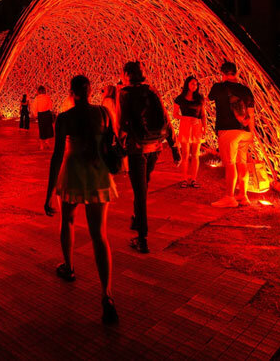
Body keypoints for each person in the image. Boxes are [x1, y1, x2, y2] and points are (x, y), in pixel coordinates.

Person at [45, 75, 119, 324]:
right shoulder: (103, 112)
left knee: (67, 220)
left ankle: (69, 266)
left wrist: (48, 192)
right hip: (98, 174)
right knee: (100, 235)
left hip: (74, 172)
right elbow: (112, 141)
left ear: (73, 92)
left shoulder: (65, 118)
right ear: (89, 91)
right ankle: (107, 294)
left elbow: (57, 155)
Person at [117, 61, 180, 254]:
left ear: (127, 74)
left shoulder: (125, 94)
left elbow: (122, 124)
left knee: (140, 192)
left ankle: (142, 238)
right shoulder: (152, 90)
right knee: (143, 185)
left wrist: (120, 147)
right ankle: (137, 219)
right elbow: (166, 118)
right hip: (155, 146)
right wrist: (174, 147)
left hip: (138, 148)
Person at [208, 61, 255, 208]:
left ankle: (230, 197)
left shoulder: (218, 87)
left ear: (222, 73)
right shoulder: (246, 90)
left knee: (229, 164)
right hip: (245, 131)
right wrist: (251, 132)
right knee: (242, 163)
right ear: (237, 73)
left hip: (228, 130)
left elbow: (210, 98)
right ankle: (243, 195)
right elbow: (251, 113)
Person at [173, 76, 206, 187]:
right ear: (187, 84)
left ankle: (193, 179)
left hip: (197, 126)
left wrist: (204, 127)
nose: (194, 86)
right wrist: (184, 118)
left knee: (195, 154)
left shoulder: (199, 98)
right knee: (185, 154)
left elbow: (203, 114)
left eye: (196, 84)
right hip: (185, 125)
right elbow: (175, 114)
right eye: (192, 84)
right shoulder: (180, 98)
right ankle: (184, 179)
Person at [33, 85, 55, 150]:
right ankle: (47, 142)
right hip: (47, 114)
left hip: (41, 115)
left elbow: (34, 107)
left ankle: (41, 145)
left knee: (42, 129)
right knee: (48, 129)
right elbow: (51, 106)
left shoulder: (37, 98)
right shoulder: (48, 97)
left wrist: (35, 115)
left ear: (38, 91)